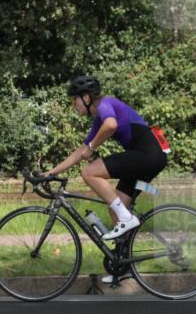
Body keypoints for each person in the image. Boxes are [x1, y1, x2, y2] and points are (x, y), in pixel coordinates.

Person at [44, 75, 168, 243]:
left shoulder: (105, 104)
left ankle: (126, 219)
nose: (73, 105)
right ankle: (123, 262)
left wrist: (92, 147)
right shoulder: (98, 119)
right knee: (115, 208)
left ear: (86, 97)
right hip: (148, 157)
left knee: (89, 172)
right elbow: (79, 153)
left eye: (74, 100)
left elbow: (111, 125)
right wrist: (49, 174)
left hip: (147, 155)